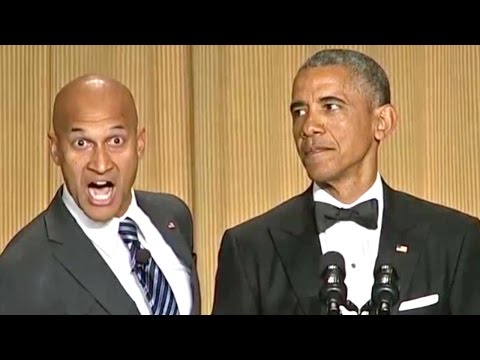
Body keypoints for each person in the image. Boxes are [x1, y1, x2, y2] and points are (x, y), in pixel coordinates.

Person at [211, 48, 480, 315]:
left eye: (330, 107)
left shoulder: (455, 240)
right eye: (299, 112)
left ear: (382, 122)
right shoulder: (250, 248)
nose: (308, 127)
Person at [0, 74, 201, 315]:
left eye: (116, 140)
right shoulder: (23, 267)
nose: (101, 163)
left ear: (139, 143)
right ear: (55, 149)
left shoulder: (172, 216)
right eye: (82, 143)